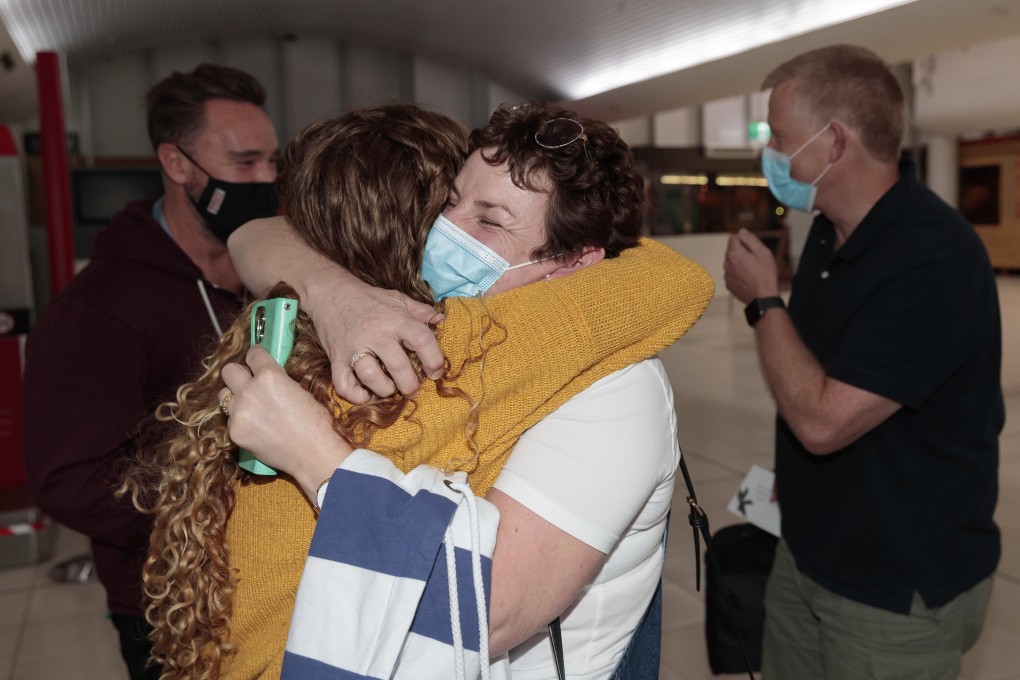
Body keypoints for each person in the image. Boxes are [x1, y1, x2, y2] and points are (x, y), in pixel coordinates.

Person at [133, 102, 712, 680]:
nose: (446, 230)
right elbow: (256, 234)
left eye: (490, 221)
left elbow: (484, 614)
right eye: (449, 201)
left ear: (573, 264)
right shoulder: (399, 332)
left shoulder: (614, 388)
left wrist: (316, 458)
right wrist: (333, 294)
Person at [723, 44, 1002, 679]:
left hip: (893, 586)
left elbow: (823, 421)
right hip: (808, 551)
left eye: (780, 136)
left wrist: (766, 301)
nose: (770, 153)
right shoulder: (827, 231)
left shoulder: (932, 261)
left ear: (834, 144)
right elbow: (810, 376)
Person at [22, 63, 279, 680]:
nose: (266, 180)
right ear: (178, 163)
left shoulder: (264, 270)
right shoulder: (98, 306)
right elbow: (70, 478)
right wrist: (221, 503)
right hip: (166, 602)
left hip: (272, 575)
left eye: (273, 162)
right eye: (245, 164)